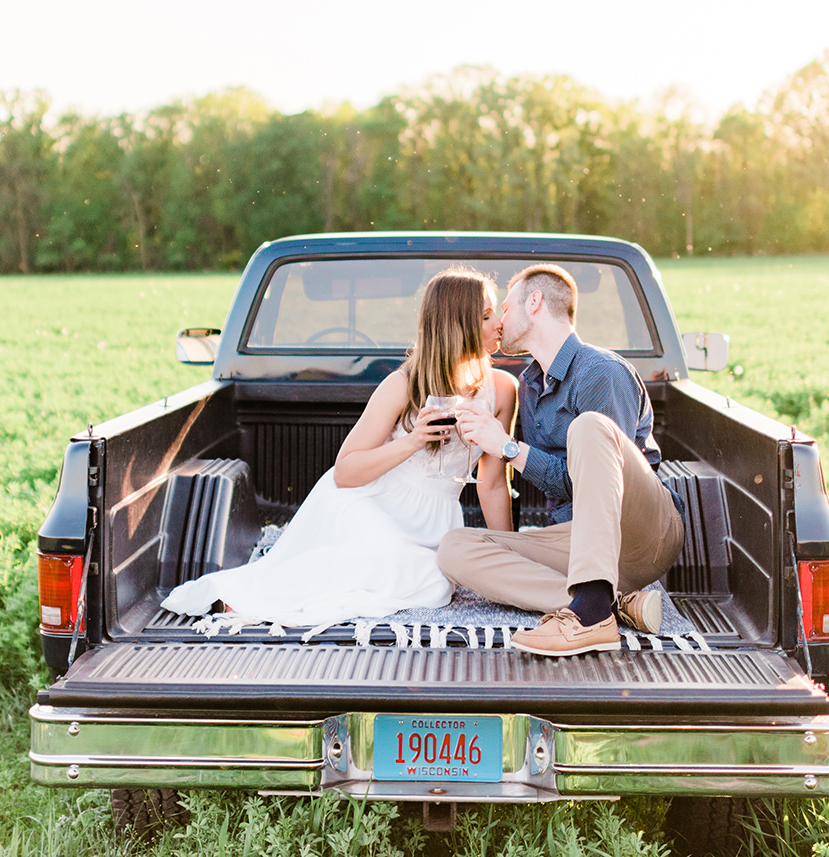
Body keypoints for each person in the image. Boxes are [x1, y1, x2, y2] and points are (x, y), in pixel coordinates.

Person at [160, 267, 520, 627]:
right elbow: (346, 471)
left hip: (438, 517)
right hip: (369, 502)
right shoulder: (402, 386)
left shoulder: (502, 390)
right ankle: (241, 599)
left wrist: (510, 561)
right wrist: (414, 440)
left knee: (436, 583)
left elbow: (491, 484)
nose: (498, 324)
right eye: (487, 316)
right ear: (457, 326)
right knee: (391, 558)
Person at [439, 263, 684, 657]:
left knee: (589, 427)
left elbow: (603, 486)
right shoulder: (530, 384)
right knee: (454, 547)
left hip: (639, 533)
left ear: (533, 302)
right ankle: (609, 607)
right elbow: (559, 487)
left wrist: (508, 448)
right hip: (576, 539)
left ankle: (590, 612)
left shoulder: (600, 371)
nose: (500, 319)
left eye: (505, 306)